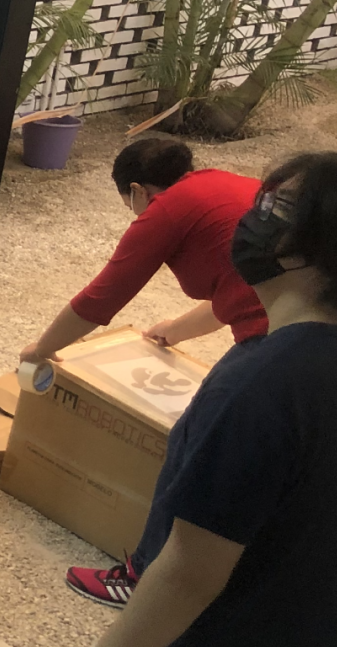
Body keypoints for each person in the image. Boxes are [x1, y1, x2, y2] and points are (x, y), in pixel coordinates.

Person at [39, 151, 337, 647]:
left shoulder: (264, 382)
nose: (252, 217)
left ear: (321, 246)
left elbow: (190, 565)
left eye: (276, 210)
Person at [19, 136, 267, 609]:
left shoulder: (166, 210)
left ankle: (141, 575)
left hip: (280, 337)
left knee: (193, 436)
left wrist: (41, 348)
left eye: (129, 205)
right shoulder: (225, 187)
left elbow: (102, 298)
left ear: (136, 191)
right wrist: (176, 329)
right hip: (315, 321)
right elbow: (237, 286)